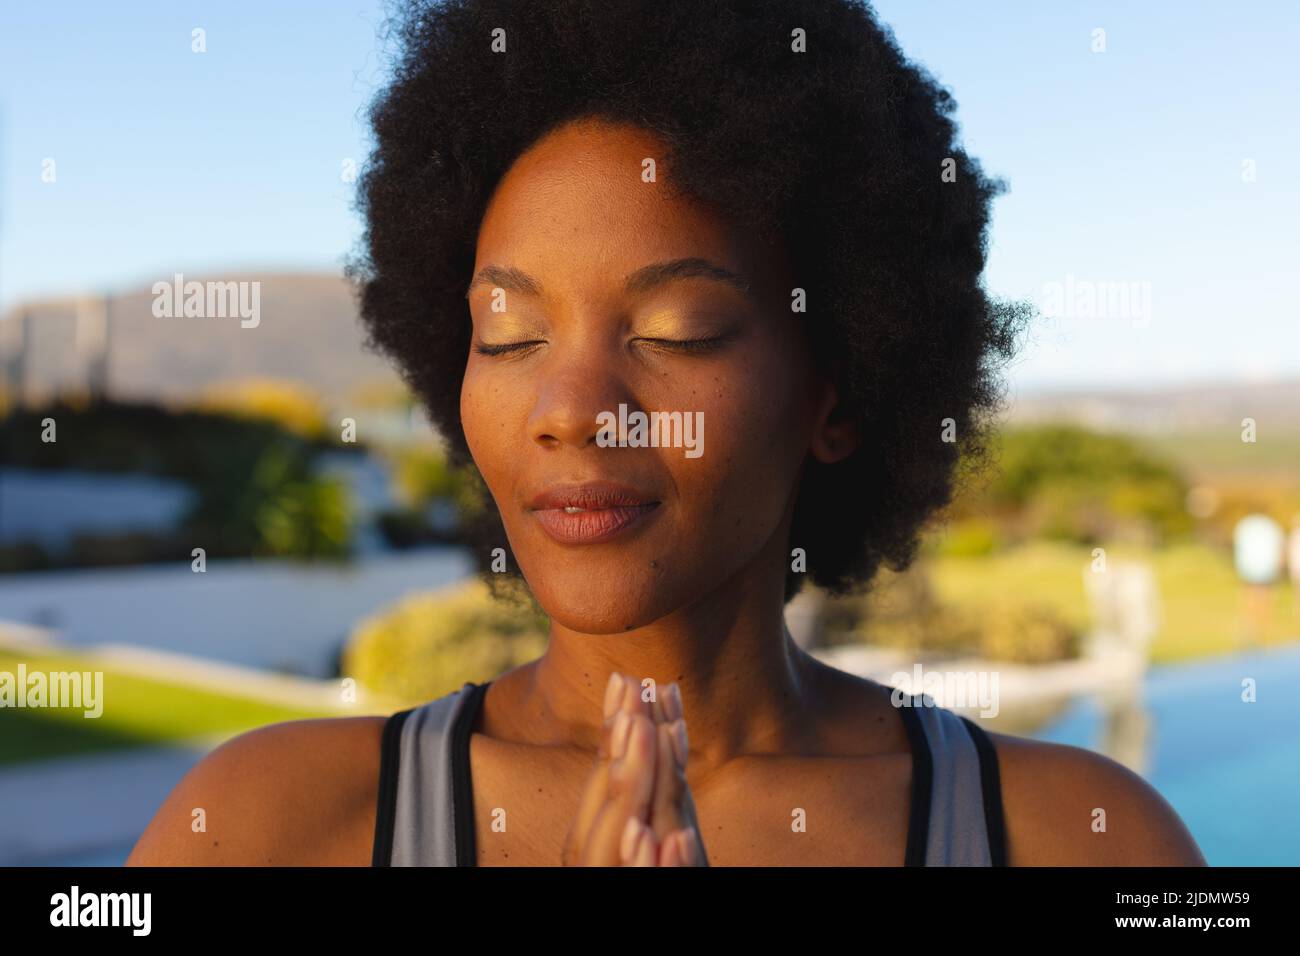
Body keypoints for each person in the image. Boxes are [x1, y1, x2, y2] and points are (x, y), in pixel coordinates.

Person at [128, 0, 1205, 866]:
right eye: (507, 334)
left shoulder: (1076, 836)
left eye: (674, 329)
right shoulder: (260, 826)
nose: (569, 407)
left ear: (833, 393)